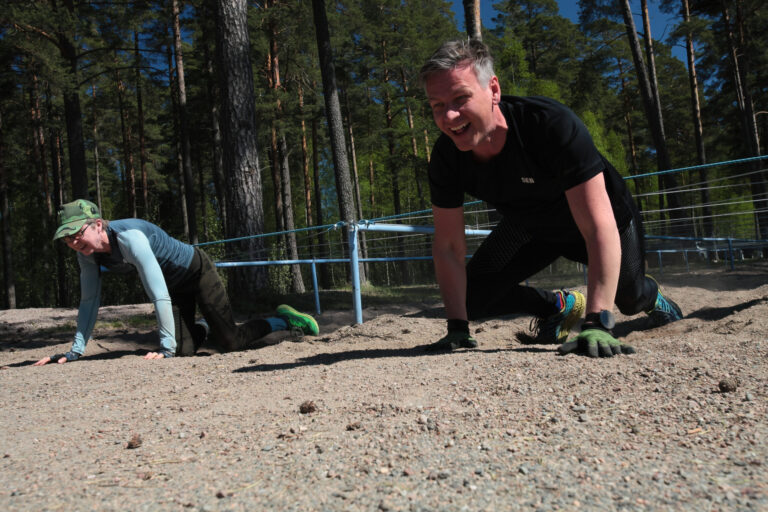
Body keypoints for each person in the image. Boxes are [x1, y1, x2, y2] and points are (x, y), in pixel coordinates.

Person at [419, 39, 682, 357]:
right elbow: (448, 246)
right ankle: (558, 306)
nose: (449, 115)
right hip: (530, 225)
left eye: (460, 98)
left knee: (628, 299)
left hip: (603, 218)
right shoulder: (446, 158)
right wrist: (457, 326)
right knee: (470, 298)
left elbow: (598, 225)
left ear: (494, 90)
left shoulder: (549, 124)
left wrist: (598, 322)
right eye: (437, 105)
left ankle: (651, 296)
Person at [34, 199, 318, 365]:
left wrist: (164, 348)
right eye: (66, 238)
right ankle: (205, 325)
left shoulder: (129, 236)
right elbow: (89, 301)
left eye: (76, 233)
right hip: (174, 287)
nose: (73, 242)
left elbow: (156, 293)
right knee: (184, 352)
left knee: (230, 342)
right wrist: (75, 351)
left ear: (97, 225)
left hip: (197, 272)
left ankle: (284, 320)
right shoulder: (88, 255)